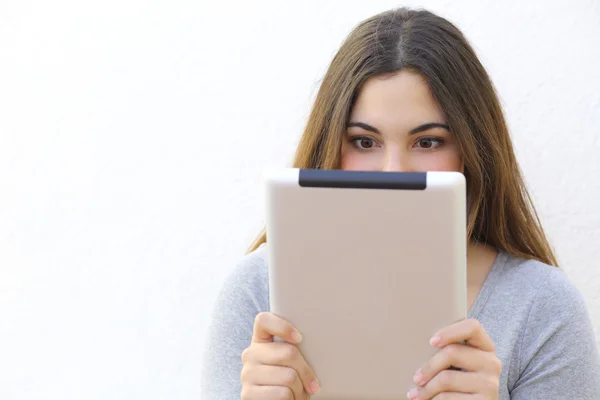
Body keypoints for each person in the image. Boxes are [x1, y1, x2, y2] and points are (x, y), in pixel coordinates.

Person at [200, 7, 600, 400]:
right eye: (364, 141)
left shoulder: (542, 308)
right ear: (331, 145)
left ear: (470, 151)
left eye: (427, 142)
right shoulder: (258, 292)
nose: (394, 171)